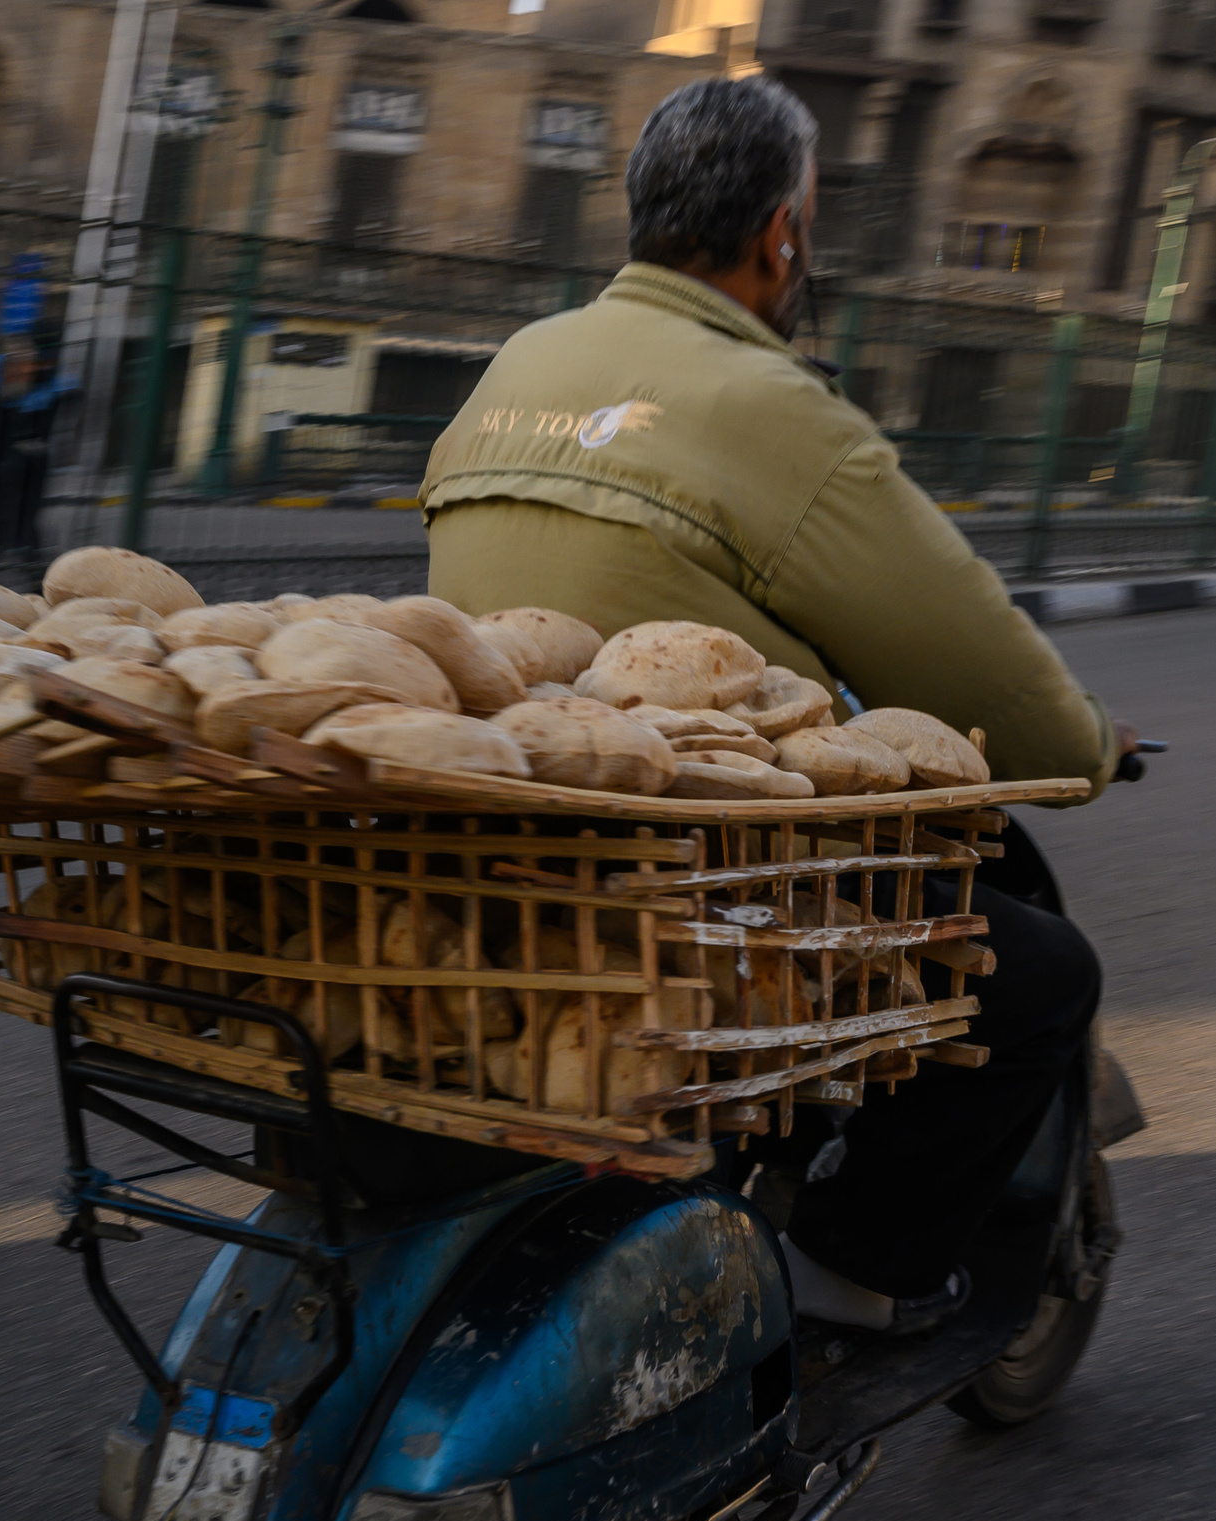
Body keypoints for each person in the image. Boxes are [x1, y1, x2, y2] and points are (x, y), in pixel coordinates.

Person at [422, 75, 1135, 1336]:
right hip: (705, 864)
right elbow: (970, 661)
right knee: (1038, 977)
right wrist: (1085, 747)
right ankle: (853, 1278)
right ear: (782, 235)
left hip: (489, 822)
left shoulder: (521, 360)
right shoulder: (778, 409)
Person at [0, 341, 73, 563]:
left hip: (23, 473)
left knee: (21, 525)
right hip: (0, 470)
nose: (18, 372)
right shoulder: (3, 395)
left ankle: (31, 570)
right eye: (13, 367)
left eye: (25, 366)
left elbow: (30, 447)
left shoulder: (40, 398)